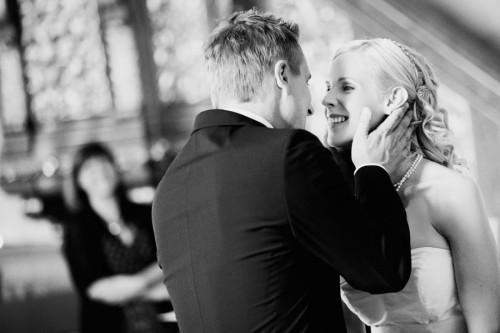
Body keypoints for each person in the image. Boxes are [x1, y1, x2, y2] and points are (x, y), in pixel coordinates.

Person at [152, 9, 414, 332]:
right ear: (281, 76)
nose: (311, 106)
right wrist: (372, 167)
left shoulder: (168, 189)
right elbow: (386, 269)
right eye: (307, 83)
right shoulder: (289, 154)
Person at [322, 38, 500, 332]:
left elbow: (487, 326)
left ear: (393, 100)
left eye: (347, 87)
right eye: (328, 87)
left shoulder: (451, 192)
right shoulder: (341, 199)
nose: (326, 99)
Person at [62, 142, 175, 333]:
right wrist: (151, 287)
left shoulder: (146, 213)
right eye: (89, 167)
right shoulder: (77, 228)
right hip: (109, 326)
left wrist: (130, 289)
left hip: (164, 323)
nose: (99, 171)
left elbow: (175, 258)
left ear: (115, 168)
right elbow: (98, 290)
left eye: (104, 162)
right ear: (78, 180)